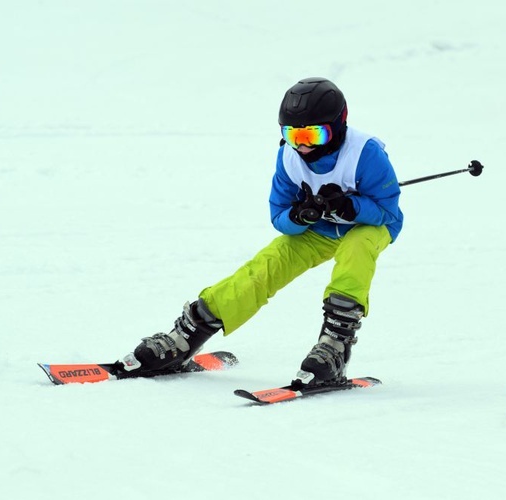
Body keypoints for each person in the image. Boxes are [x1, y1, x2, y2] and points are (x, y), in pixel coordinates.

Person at [116, 77, 403, 385]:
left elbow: (389, 212)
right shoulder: (289, 157)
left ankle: (334, 345)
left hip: (367, 228)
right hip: (318, 230)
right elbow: (278, 216)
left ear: (339, 125)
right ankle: (187, 335)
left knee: (355, 252)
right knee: (267, 264)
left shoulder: (365, 153)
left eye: (314, 134)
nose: (303, 145)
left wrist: (351, 207)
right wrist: (300, 215)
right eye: (293, 134)